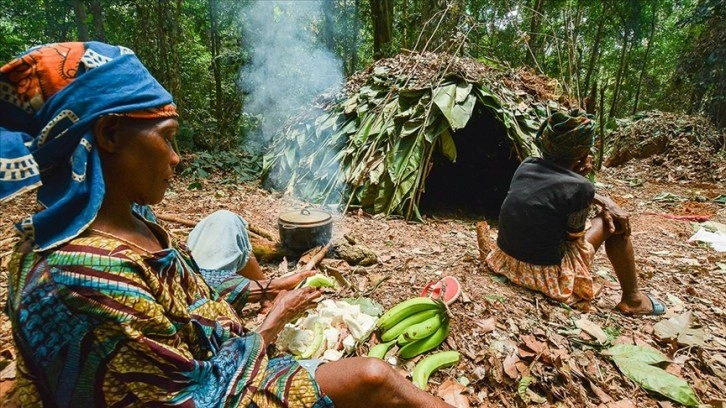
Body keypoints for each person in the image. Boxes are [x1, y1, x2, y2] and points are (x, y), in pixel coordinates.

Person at [0, 42, 452, 407]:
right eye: (168, 138)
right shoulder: (81, 280)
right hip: (220, 378)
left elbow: (185, 291)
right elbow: (195, 398)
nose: (177, 159)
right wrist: (266, 330)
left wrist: (264, 290)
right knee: (374, 377)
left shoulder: (130, 214)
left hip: (220, 353)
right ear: (110, 134)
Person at [486, 110, 665, 316]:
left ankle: (633, 298)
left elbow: (556, 187)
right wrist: (584, 186)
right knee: (612, 222)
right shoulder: (581, 187)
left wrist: (590, 191)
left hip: (505, 259)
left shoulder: (527, 165)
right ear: (583, 153)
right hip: (541, 274)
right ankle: (633, 299)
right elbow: (573, 240)